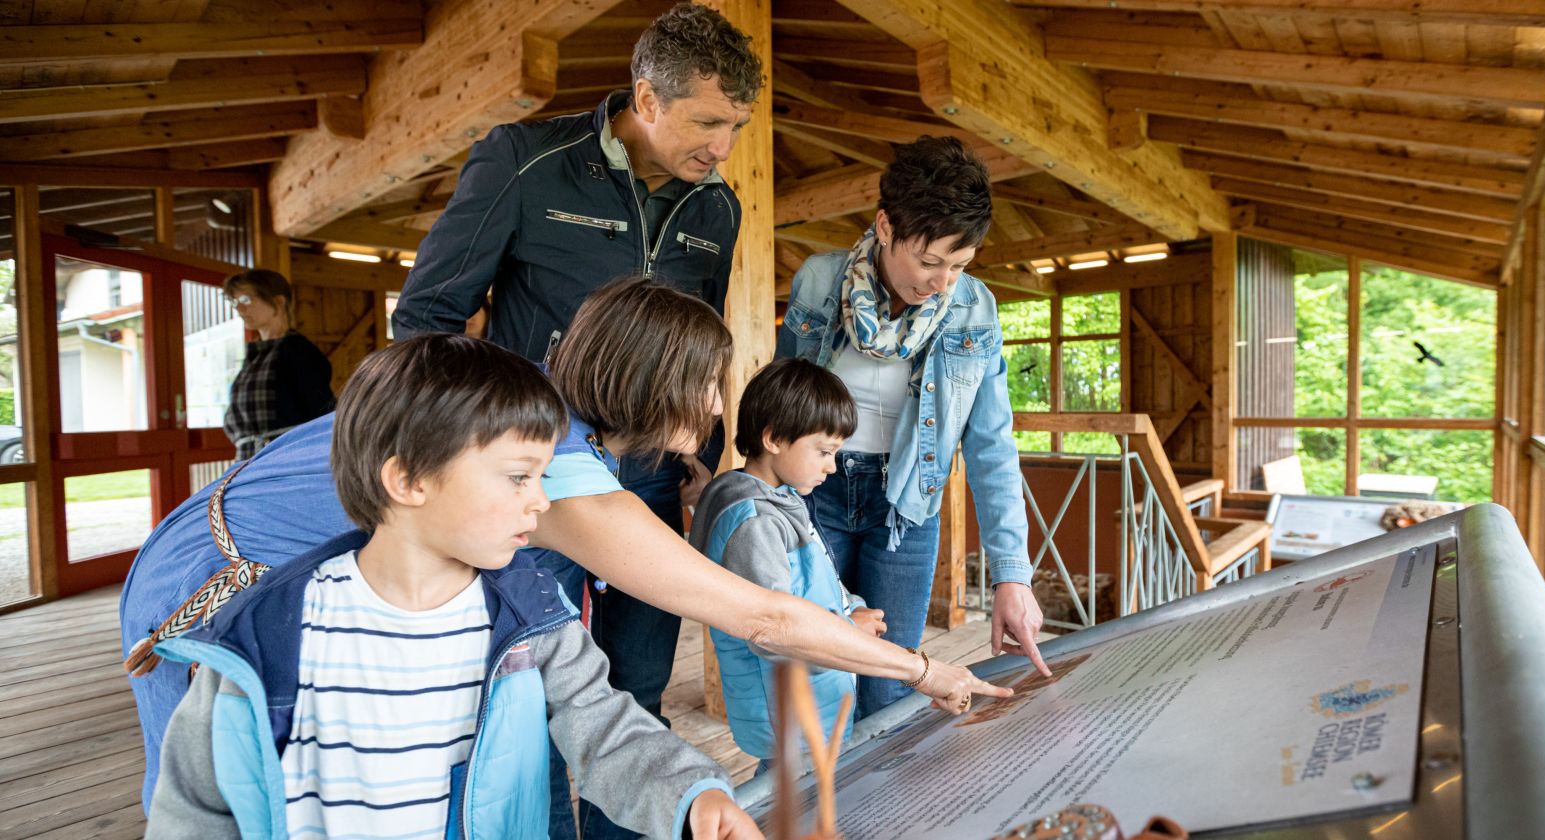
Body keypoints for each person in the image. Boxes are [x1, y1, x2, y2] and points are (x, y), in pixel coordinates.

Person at [121, 278, 1006, 821]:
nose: (708, 410)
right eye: (702, 383)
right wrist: (924, 670)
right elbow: (763, 616)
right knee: (236, 796)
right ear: (652, 378)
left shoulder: (535, 435)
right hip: (218, 581)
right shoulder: (547, 469)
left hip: (258, 554)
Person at [144, 335, 759, 839]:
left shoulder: (532, 621)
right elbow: (196, 809)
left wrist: (691, 792)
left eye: (542, 475)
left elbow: (604, 727)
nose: (543, 500)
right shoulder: (261, 638)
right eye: (519, 477)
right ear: (409, 479)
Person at [390, 6, 763, 796]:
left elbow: (700, 341)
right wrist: (486, 452)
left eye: (737, 125)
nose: (722, 148)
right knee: (533, 693)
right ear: (647, 99)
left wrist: (706, 455)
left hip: (652, 475)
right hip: (535, 481)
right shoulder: (525, 162)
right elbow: (426, 319)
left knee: (638, 686)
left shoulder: (717, 208)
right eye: (706, 122)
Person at [778, 136, 1053, 718]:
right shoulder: (819, 283)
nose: (941, 282)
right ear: (885, 226)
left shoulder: (974, 310)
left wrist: (1012, 575)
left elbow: (991, 446)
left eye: (959, 265)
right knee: (811, 681)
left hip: (907, 509)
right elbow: (780, 410)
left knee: (890, 688)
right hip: (812, 497)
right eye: (929, 261)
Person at [690, 358, 895, 770]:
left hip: (808, 700)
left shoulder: (780, 501)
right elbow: (772, 631)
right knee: (790, 802)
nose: (831, 467)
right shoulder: (756, 523)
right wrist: (847, 629)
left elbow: (816, 579)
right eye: (823, 451)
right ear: (774, 438)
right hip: (789, 712)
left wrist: (850, 607)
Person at [220, 269, 334, 460]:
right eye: (235, 302)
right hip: (251, 461)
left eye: (247, 300)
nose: (240, 309)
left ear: (279, 302)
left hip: (287, 461)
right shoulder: (255, 356)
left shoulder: (298, 351)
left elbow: (322, 412)